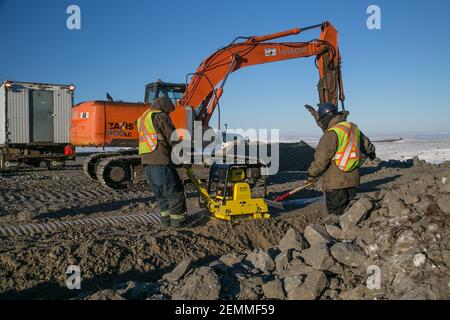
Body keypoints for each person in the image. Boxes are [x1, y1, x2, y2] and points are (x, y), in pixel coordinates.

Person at [306, 102, 376, 215]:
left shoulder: (331, 133)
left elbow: (321, 159)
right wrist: (371, 153)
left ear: (326, 118)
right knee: (350, 214)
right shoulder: (352, 128)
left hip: (336, 183)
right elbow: (367, 145)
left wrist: (311, 174)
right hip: (353, 180)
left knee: (336, 216)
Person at [137, 96, 187, 228]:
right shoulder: (161, 116)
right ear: (164, 107)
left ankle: (166, 222)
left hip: (147, 164)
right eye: (169, 111)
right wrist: (183, 157)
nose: (169, 113)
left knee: (161, 196)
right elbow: (173, 139)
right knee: (175, 193)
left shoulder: (142, 118)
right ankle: (178, 224)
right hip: (161, 163)